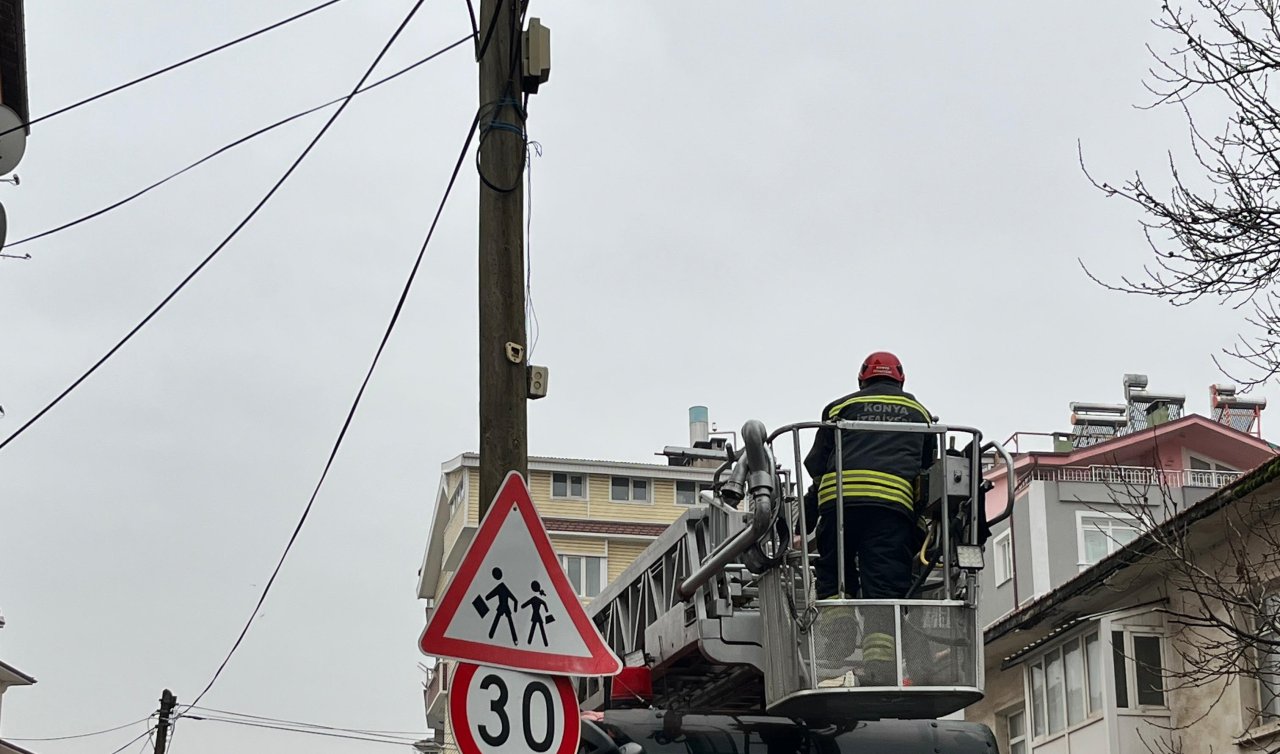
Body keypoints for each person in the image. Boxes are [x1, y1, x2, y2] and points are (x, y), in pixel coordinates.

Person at [801, 351, 935, 684]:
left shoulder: (838, 407)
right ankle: (881, 667)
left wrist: (808, 509)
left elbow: (817, 463)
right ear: (900, 378)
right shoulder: (920, 413)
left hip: (838, 503)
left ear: (863, 378)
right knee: (884, 589)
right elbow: (928, 470)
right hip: (890, 509)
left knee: (834, 571)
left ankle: (840, 636)